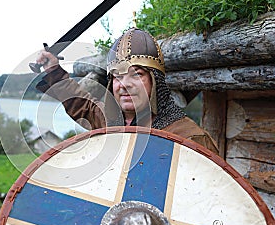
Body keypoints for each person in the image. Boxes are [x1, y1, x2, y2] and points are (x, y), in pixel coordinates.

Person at [35, 28, 219, 154]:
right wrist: (54, 71)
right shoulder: (111, 121)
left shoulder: (190, 138)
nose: (124, 84)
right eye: (117, 76)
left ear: (155, 81)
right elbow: (82, 104)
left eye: (136, 75)